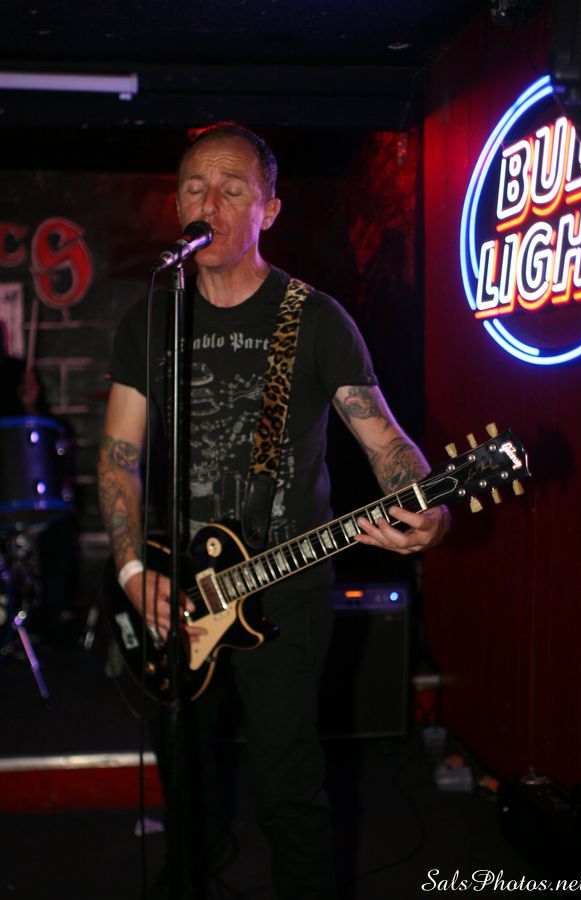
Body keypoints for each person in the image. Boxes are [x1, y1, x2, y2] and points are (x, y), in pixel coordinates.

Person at [97, 122, 449, 899]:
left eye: (232, 190)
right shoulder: (152, 317)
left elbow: (384, 441)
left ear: (271, 210)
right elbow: (119, 456)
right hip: (178, 590)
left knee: (288, 785)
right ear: (177, 205)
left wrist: (427, 505)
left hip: (286, 590)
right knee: (184, 775)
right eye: (195, 189)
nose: (210, 206)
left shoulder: (314, 319)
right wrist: (130, 571)